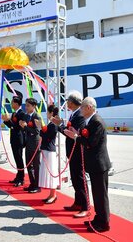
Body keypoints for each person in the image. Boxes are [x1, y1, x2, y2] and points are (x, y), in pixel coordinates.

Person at [64, 97, 111, 233]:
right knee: (97, 194)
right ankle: (98, 218)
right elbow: (85, 138)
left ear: (89, 107)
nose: (81, 110)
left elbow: (90, 142)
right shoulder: (89, 121)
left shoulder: (96, 122)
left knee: (101, 195)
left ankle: (104, 223)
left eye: (83, 107)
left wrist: (75, 137)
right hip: (94, 163)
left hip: (99, 164)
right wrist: (76, 133)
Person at [52, 90, 88, 218]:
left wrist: (60, 125)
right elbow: (69, 132)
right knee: (75, 178)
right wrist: (61, 125)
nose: (67, 103)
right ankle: (78, 202)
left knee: (79, 179)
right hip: (72, 151)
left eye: (68, 101)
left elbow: (73, 133)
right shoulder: (74, 114)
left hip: (77, 151)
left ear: (72, 102)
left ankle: (85, 206)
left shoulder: (80, 116)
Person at [36, 104, 59, 204]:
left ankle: (53, 194)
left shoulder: (53, 124)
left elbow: (48, 137)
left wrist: (40, 127)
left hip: (50, 150)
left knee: (51, 172)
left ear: (52, 113)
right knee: (48, 172)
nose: (47, 114)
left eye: (48, 112)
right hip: (47, 150)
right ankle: (51, 194)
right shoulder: (51, 123)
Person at [2, 95, 26, 186]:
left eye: (12, 102)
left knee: (19, 159)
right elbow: (11, 127)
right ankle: (18, 176)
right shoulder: (14, 113)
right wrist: (6, 121)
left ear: (16, 103)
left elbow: (17, 127)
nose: (11, 104)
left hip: (19, 139)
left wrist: (8, 121)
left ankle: (21, 178)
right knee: (16, 158)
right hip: (14, 139)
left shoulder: (21, 114)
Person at [19, 98, 41, 193]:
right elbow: (26, 130)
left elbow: (36, 131)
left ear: (34, 106)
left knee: (36, 165)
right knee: (29, 164)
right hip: (28, 143)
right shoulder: (27, 116)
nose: (26, 107)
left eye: (28, 105)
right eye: (26, 105)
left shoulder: (37, 116)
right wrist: (22, 126)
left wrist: (25, 127)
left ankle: (37, 185)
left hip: (35, 144)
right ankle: (32, 183)